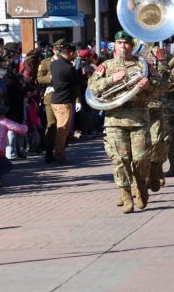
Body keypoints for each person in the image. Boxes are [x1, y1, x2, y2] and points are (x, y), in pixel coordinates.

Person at [88, 30, 163, 213]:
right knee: (120, 160)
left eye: (126, 43)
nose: (123, 46)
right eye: (119, 42)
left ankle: (140, 186)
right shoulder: (106, 65)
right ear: (115, 45)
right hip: (114, 120)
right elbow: (92, 88)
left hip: (138, 119)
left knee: (141, 158)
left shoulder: (142, 64)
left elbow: (161, 88)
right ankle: (126, 195)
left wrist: (149, 86)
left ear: (132, 45)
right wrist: (111, 80)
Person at [49, 43, 81, 164]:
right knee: (62, 130)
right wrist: (76, 69)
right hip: (64, 100)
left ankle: (57, 152)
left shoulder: (53, 64)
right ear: (71, 53)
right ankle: (59, 154)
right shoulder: (69, 68)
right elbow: (77, 81)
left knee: (59, 128)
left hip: (55, 99)